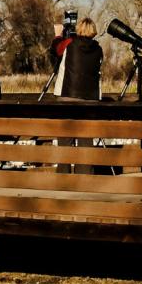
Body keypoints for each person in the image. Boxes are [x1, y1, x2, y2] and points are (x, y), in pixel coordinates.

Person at [48, 17, 103, 174]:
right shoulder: (99, 49)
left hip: (67, 97)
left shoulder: (69, 43)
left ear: (78, 29)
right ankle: (85, 176)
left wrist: (58, 35)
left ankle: (63, 176)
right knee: (86, 140)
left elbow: (55, 50)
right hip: (90, 100)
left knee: (65, 138)